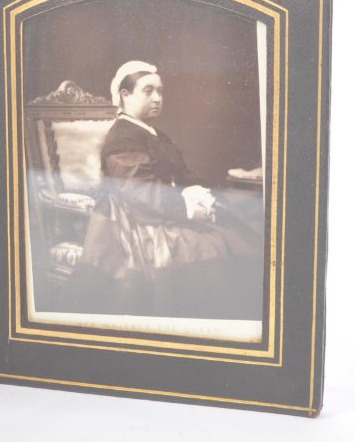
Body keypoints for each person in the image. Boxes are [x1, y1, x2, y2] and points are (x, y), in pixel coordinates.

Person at [73, 60, 263, 320]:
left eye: (160, 91)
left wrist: (211, 195)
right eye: (148, 91)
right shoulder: (122, 138)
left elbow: (181, 173)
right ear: (125, 95)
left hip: (161, 208)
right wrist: (188, 208)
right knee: (210, 245)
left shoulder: (154, 134)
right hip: (135, 220)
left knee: (240, 226)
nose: (157, 98)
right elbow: (140, 192)